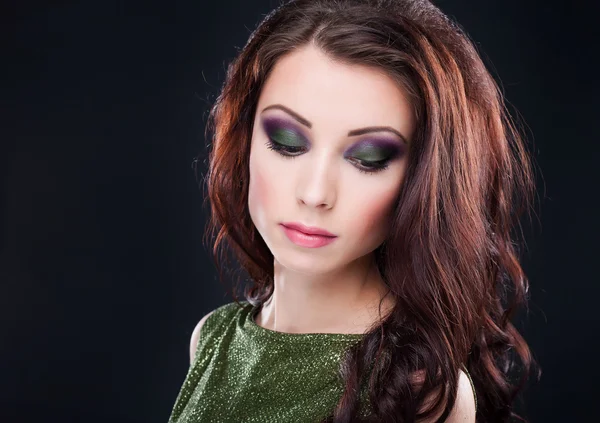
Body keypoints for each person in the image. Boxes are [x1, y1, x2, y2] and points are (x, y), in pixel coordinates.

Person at [169, 0, 539, 422]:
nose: (314, 192)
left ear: (422, 178)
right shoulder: (212, 340)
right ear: (245, 138)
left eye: (367, 158)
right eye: (288, 143)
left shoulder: (423, 396)